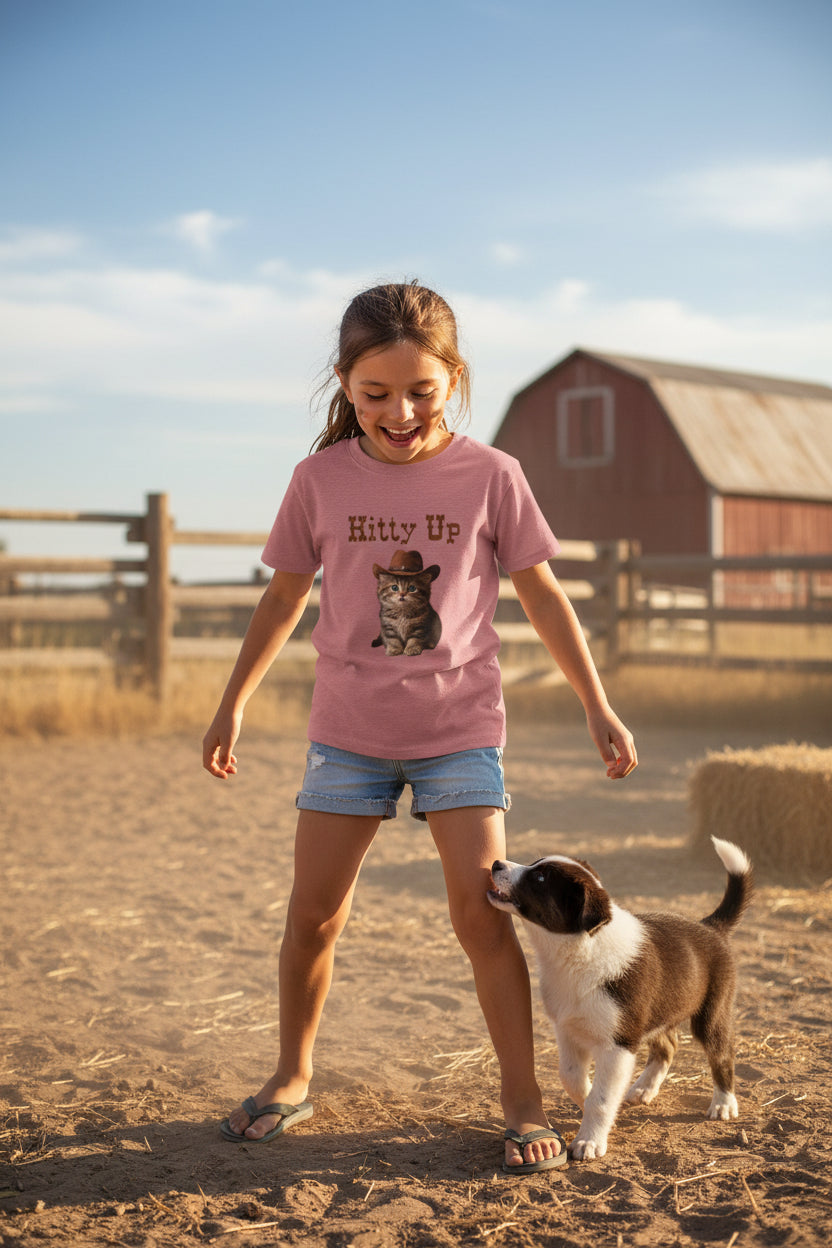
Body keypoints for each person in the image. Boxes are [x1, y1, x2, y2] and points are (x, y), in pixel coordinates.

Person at [203, 281, 637, 1174]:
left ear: (454, 380)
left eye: (421, 392)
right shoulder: (317, 480)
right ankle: (291, 1076)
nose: (398, 413)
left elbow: (543, 594)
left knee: (483, 919)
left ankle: (520, 1101)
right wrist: (233, 699)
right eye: (375, 394)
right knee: (314, 916)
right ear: (345, 383)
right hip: (347, 734)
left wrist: (598, 704)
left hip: (460, 733)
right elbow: (285, 594)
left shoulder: (492, 475)